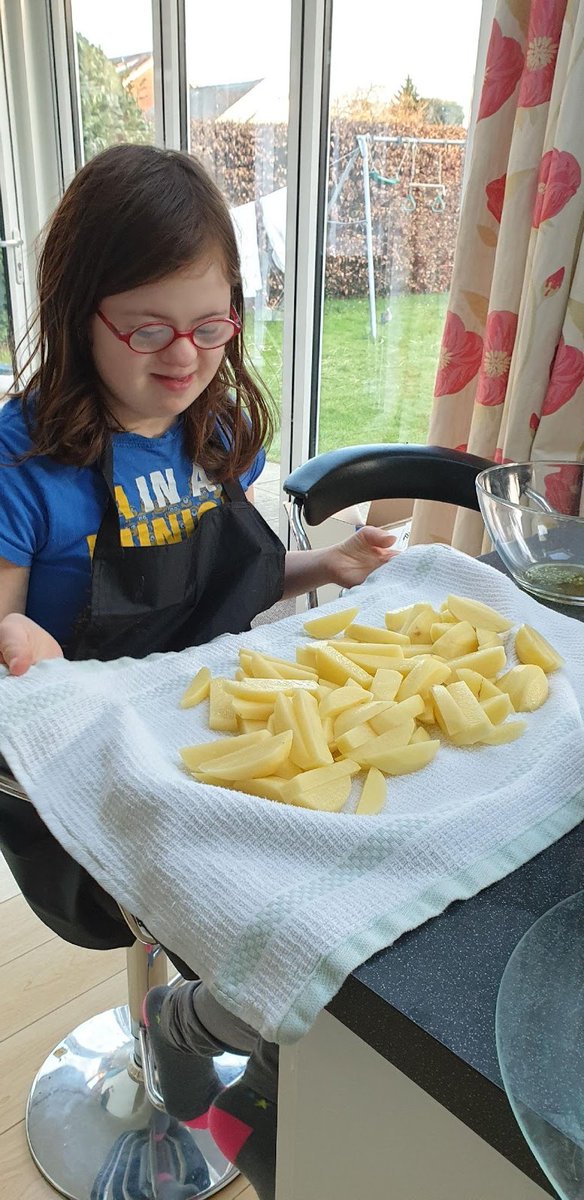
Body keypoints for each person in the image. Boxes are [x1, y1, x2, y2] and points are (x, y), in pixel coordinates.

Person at [0, 144, 396, 1199]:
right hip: (83, 766)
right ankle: (190, 1036)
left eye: (212, 326)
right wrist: (25, 650)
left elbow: (227, 580)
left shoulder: (214, 424)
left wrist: (323, 566)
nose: (185, 360)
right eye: (148, 330)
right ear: (79, 313)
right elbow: (3, 630)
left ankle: (203, 1035)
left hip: (209, 729)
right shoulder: (23, 463)